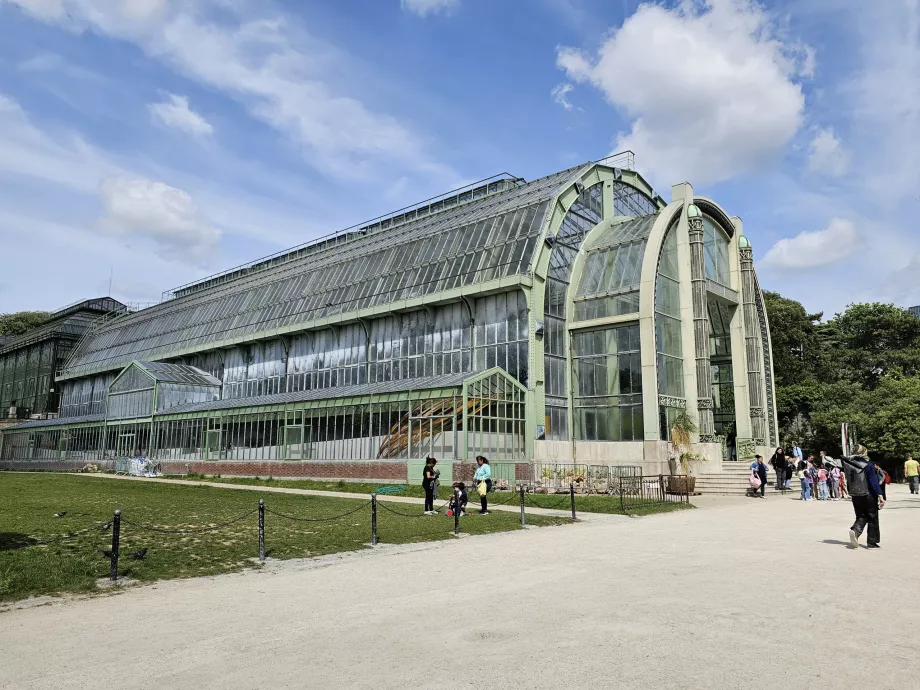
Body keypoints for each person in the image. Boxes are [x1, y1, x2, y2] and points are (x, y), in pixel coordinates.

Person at [843, 445, 884, 549]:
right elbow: (873, 481)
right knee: (872, 517)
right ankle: (872, 542)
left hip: (855, 494)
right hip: (868, 494)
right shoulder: (868, 465)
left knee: (861, 515)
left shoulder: (848, 464)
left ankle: (855, 530)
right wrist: (880, 495)